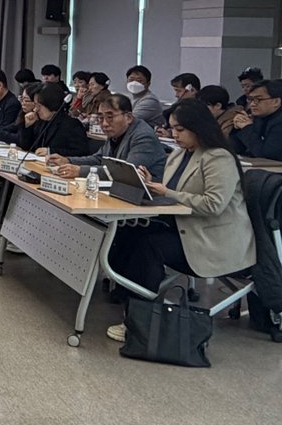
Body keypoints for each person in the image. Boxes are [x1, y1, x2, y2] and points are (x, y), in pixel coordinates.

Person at [105, 99, 256, 342]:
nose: (174, 135)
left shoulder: (219, 158)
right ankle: (129, 300)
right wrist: (149, 183)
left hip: (210, 239)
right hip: (183, 228)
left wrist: (166, 192)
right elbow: (173, 191)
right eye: (172, 129)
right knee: (127, 232)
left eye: (180, 129)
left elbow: (213, 204)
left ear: (198, 128)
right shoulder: (178, 155)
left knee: (148, 247)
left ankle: (142, 320)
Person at [49, 93, 168, 181]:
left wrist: (80, 171)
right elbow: (100, 159)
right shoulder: (117, 131)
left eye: (110, 117)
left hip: (149, 200)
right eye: (101, 118)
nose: (104, 123)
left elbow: (126, 173)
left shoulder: (143, 137)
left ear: (128, 117)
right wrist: (68, 160)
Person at [229, 79, 282, 171]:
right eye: (251, 99)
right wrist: (238, 126)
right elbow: (235, 148)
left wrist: (246, 127)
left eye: (258, 100)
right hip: (266, 170)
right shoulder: (260, 117)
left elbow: (264, 154)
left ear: (276, 102)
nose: (252, 104)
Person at [20, 82, 91, 157]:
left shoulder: (72, 125)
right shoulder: (40, 121)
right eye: (35, 105)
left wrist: (51, 151)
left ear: (51, 104)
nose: (35, 109)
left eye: (39, 106)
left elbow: (82, 152)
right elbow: (26, 147)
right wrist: (28, 127)